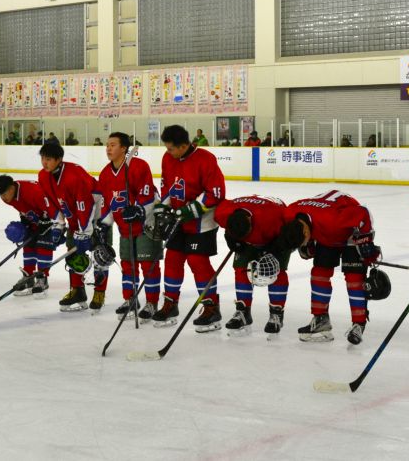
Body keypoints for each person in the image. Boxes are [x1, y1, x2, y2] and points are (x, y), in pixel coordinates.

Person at [150, 125, 226, 332]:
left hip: (202, 222)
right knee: (173, 259)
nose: (168, 152)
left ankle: (211, 307)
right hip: (178, 219)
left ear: (184, 146)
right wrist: (162, 206)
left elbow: (215, 193)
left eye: (171, 148)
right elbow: (168, 187)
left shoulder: (206, 159)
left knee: (197, 261)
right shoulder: (168, 158)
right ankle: (170, 303)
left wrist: (190, 210)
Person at [279, 190, 380, 345]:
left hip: (350, 230)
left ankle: (359, 324)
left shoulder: (334, 220)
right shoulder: (289, 213)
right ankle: (321, 320)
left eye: (304, 240)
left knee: (354, 278)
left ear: (305, 230)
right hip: (323, 231)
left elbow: (363, 213)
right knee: (319, 273)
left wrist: (365, 240)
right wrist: (307, 242)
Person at [214, 195, 300, 336]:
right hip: (251, 230)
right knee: (241, 268)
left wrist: (274, 248)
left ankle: (277, 313)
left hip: (277, 235)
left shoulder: (274, 217)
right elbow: (227, 227)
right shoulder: (223, 212)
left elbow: (293, 233)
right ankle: (243, 311)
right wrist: (231, 238)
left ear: (250, 220)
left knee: (274, 270)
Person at [97, 132, 162, 320]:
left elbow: (148, 194)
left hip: (147, 225)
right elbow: (107, 204)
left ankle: (152, 303)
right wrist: (104, 224)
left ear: (124, 148)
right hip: (125, 228)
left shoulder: (139, 166)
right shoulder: (105, 174)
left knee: (148, 265)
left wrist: (139, 210)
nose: (108, 148)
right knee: (127, 265)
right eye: (107, 145)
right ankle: (130, 300)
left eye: (113, 145)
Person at [37, 142, 106, 312]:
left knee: (100, 255)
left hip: (98, 215)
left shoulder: (74, 175)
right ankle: (77, 291)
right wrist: (59, 225)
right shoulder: (43, 176)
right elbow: (51, 203)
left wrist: (85, 233)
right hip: (76, 218)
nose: (44, 162)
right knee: (73, 253)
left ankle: (99, 293)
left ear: (59, 159)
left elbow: (85, 204)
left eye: (48, 159)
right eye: (43, 158)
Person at [0, 174, 62, 297]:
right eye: (0, 195)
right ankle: (28, 276)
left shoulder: (33, 192)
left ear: (11, 188)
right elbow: (22, 207)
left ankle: (42, 278)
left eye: (4, 194)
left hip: (53, 218)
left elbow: (54, 209)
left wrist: (48, 222)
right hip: (36, 218)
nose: (2, 198)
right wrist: (25, 219)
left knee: (44, 245)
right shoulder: (8, 197)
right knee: (28, 244)